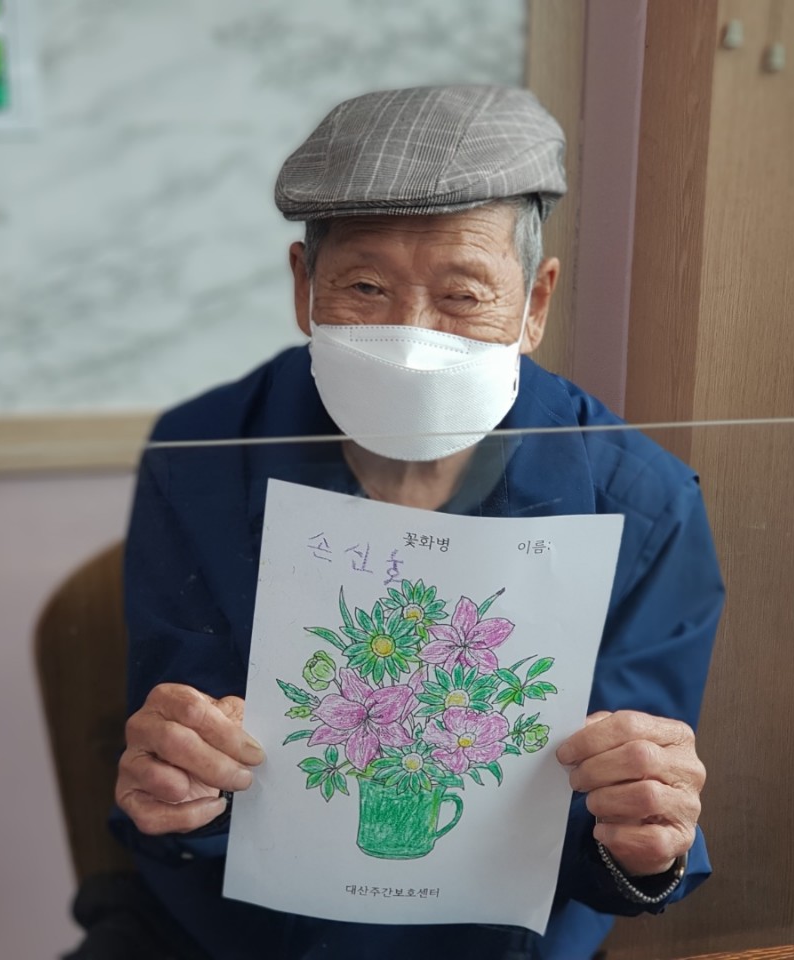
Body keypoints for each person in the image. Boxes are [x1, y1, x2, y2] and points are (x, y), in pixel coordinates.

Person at [93, 85, 725, 960]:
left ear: (535, 303)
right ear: (303, 286)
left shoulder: (639, 503)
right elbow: (181, 779)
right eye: (365, 286)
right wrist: (176, 786)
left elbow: (628, 828)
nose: (412, 337)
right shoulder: (203, 457)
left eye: (463, 295)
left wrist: (646, 837)